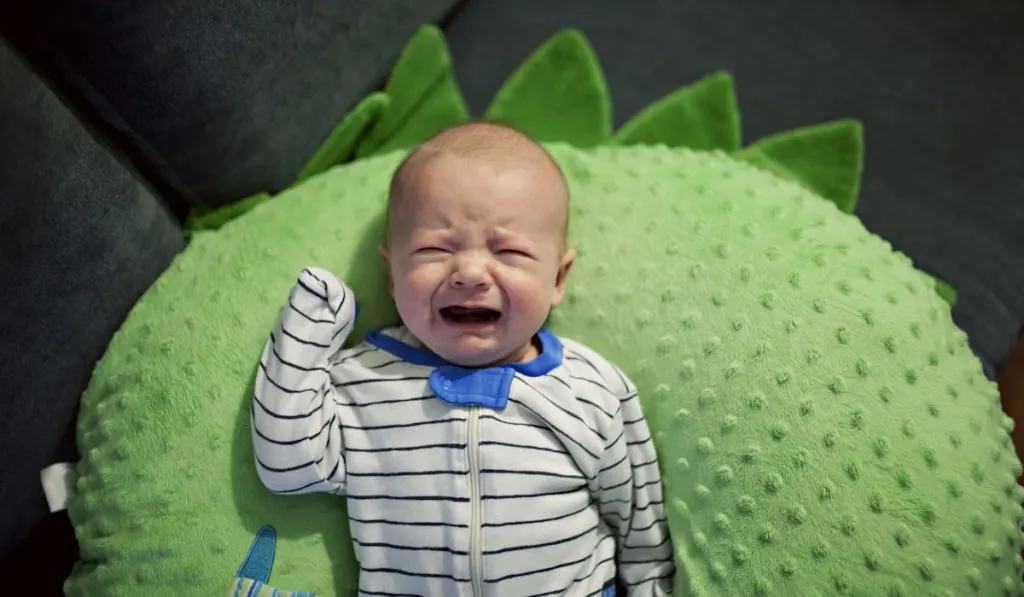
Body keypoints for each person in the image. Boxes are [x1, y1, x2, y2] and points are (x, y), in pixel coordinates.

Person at [251, 121, 675, 596]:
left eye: (509, 250)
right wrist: (309, 330)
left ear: (558, 278)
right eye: (435, 248)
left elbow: (642, 535)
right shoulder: (360, 382)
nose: (470, 272)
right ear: (391, 274)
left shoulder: (592, 391)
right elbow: (287, 468)